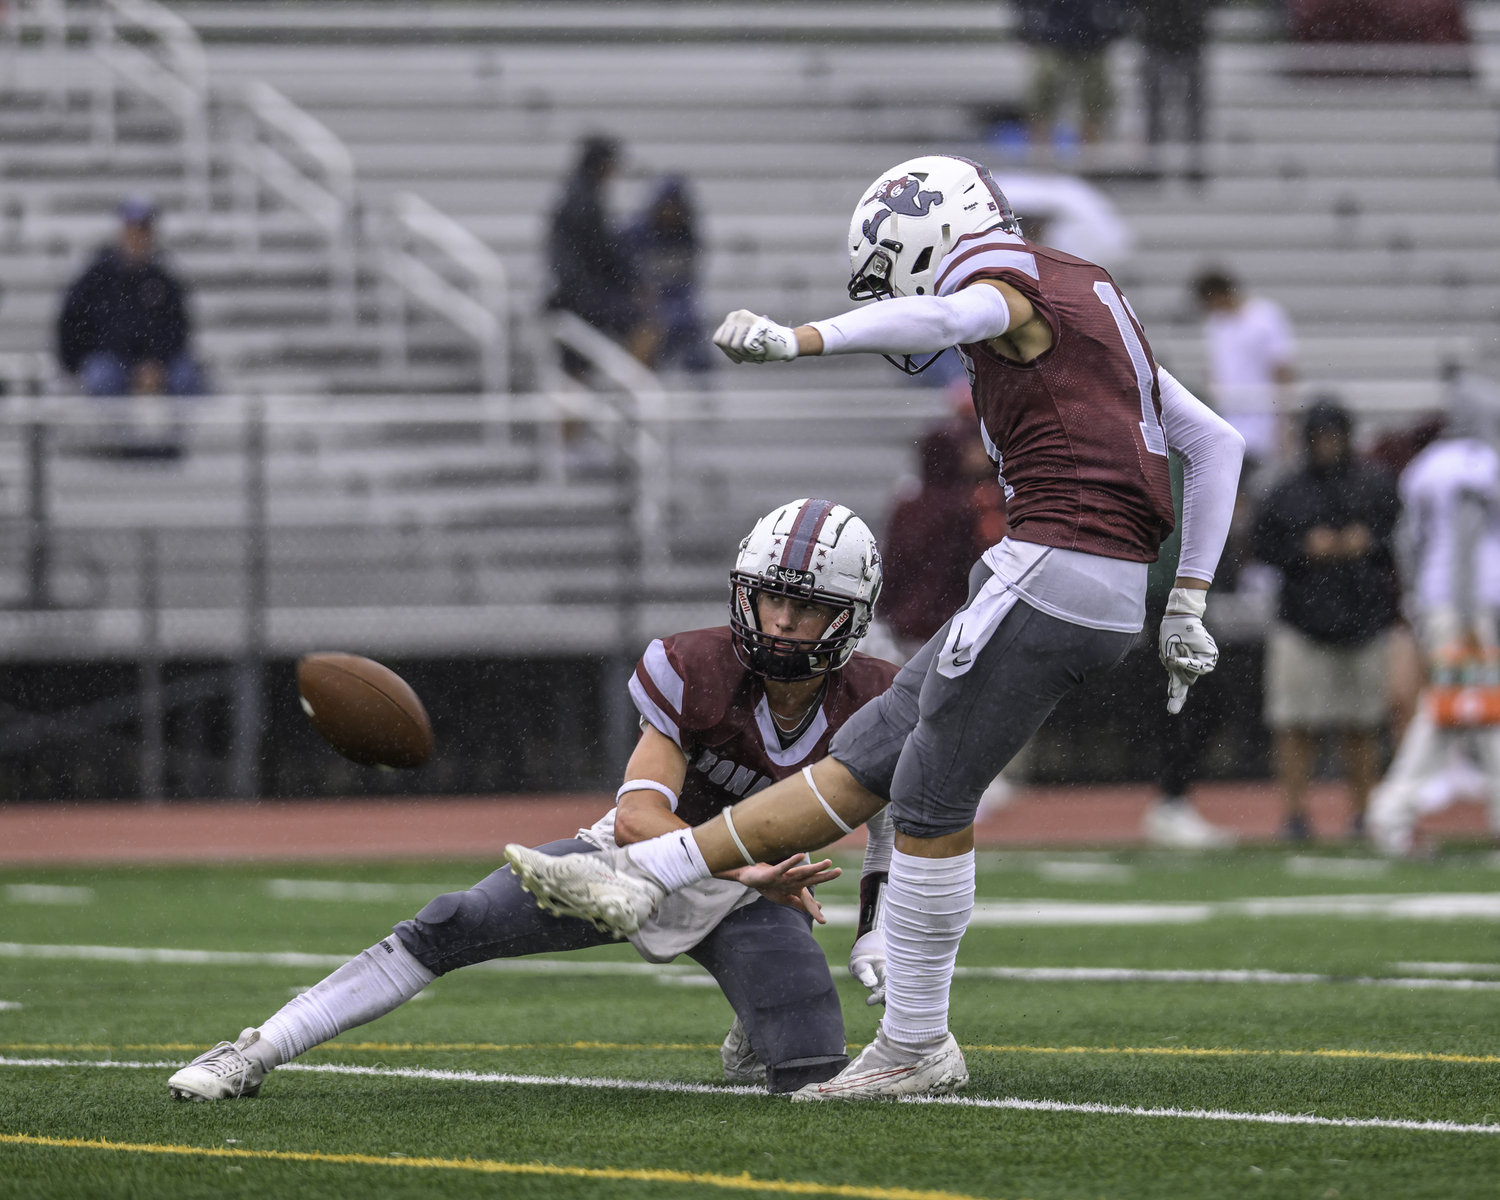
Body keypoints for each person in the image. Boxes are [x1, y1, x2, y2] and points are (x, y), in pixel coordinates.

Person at [505, 154, 1244, 1102]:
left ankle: (914, 1041)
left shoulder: (1005, 289)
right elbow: (1213, 442)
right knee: (876, 742)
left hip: (1059, 568)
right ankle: (648, 871)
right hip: (1081, 578)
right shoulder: (1089, 292)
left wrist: (800, 338)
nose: (910, 291)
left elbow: (949, 314)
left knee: (928, 796)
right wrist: (1185, 597)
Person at [165, 500, 899, 1102]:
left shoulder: (876, 700)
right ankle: (255, 1049)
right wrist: (745, 871)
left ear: (850, 616)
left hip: (752, 900)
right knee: (453, 921)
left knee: (813, 1076)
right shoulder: (695, 667)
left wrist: (873, 929)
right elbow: (641, 815)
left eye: (806, 607)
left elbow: (897, 825)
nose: (780, 621)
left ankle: (762, 1020)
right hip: (630, 864)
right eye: (771, 597)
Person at [1251, 400, 1400, 841]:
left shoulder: (1374, 485)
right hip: (1302, 623)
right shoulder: (1286, 490)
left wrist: (1366, 543)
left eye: (1334, 435)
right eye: (1320, 436)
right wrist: (1303, 549)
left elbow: (1398, 539)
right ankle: (1295, 816)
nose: (1327, 445)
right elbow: (1259, 547)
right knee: (1297, 725)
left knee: (1362, 725)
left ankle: (1363, 814)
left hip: (1363, 621)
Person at [1369, 371, 1500, 855]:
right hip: (1465, 607)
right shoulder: (1477, 463)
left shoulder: (1425, 465)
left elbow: (1408, 542)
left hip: (1434, 599)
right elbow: (1465, 541)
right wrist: (1466, 615)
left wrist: (1417, 600)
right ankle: (1392, 811)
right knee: (1448, 711)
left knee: (1477, 713)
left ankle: (1393, 812)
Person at [56, 196, 207, 398]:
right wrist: (73, 364)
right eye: (132, 231)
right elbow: (72, 322)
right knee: (102, 376)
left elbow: (178, 329)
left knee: (187, 378)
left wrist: (156, 362)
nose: (137, 238)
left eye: (143, 231)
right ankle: (110, 430)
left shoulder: (164, 280)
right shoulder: (96, 278)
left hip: (157, 365)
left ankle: (175, 431)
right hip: (110, 362)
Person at [1195, 268, 1297, 471]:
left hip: (1263, 417)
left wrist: (1284, 422)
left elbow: (1282, 369)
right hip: (1228, 418)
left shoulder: (1266, 316)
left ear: (1220, 294)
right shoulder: (1215, 325)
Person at [546, 136, 641, 349]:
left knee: (577, 356)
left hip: (575, 291)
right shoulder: (584, 201)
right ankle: (638, 379)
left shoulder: (576, 194)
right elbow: (601, 251)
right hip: (582, 294)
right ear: (601, 163)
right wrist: (630, 284)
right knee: (643, 325)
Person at [626, 176, 711, 374]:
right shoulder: (637, 235)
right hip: (643, 308)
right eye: (666, 206)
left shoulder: (687, 236)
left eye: (675, 207)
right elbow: (626, 275)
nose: (670, 213)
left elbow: (685, 282)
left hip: (676, 306)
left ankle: (701, 395)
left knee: (695, 344)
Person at [1019, 0, 1122, 148]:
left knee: (1094, 103)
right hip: (1052, 39)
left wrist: (1111, 26)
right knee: (1042, 102)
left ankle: (1091, 162)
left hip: (1092, 42)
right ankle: (1041, 159)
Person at [1135, 0, 1208, 170]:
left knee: (1193, 109)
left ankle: (1195, 162)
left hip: (1187, 41)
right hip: (1160, 39)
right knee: (1153, 108)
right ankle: (1152, 163)